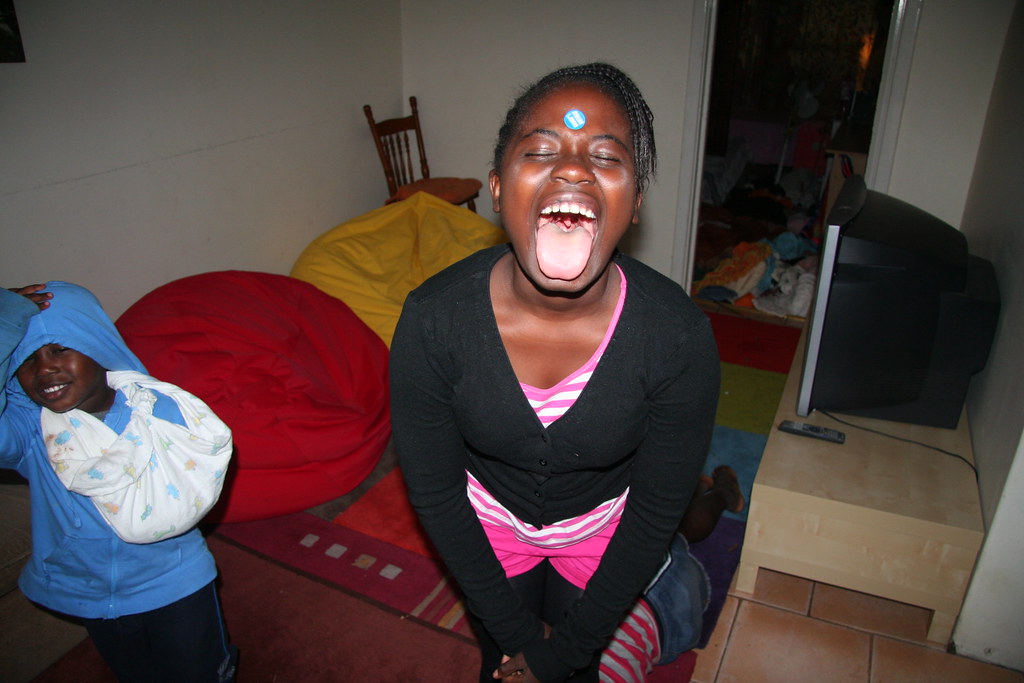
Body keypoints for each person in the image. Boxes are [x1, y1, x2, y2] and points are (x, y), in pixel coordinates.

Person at [389, 62, 722, 683]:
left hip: (603, 532)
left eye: (606, 156)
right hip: (486, 527)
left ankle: (716, 503)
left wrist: (565, 653)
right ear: (496, 186)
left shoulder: (677, 338)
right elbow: (435, 495)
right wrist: (516, 640)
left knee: (575, 668)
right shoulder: (433, 322)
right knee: (504, 667)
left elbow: (653, 513)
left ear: (636, 202)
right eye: (541, 150)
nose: (571, 169)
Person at [1, 282, 237, 682]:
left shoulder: (154, 410)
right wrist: (5, 320)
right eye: (25, 360)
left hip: (174, 583)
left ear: (96, 344)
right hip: (88, 591)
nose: (44, 369)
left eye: (60, 349)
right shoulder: (32, 431)